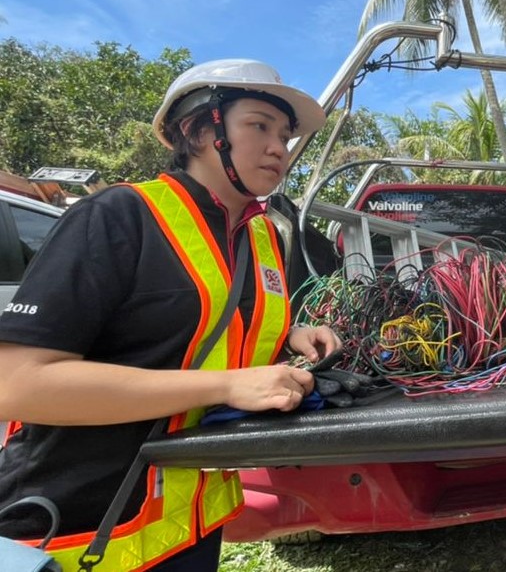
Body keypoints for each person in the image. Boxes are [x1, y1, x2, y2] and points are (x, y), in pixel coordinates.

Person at [0, 59, 341, 571]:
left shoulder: (263, 236)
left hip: (190, 531)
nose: (279, 148)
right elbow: (18, 383)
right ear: (199, 130)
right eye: (259, 126)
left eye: (286, 135)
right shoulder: (119, 216)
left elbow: (187, 329)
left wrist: (288, 335)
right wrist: (224, 386)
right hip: (77, 531)